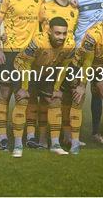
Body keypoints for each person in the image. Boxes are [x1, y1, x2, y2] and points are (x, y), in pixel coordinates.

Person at [0, 0, 45, 154]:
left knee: (29, 95)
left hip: (31, 55)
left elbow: (45, 25)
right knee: (5, 94)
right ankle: (3, 137)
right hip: (11, 52)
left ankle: (30, 137)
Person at [65, 7, 103, 154]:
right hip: (80, 66)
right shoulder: (93, 35)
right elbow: (87, 63)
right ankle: (74, 142)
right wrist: (81, 85)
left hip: (100, 66)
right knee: (78, 98)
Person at [27, 0, 78, 148]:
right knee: (42, 97)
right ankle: (40, 137)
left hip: (66, 56)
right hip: (45, 58)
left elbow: (76, 31)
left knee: (67, 96)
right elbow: (36, 27)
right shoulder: (46, 7)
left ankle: (66, 134)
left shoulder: (74, 8)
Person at [13, 17, 75, 156]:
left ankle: (55, 144)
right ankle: (18, 145)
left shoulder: (70, 44)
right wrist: (24, 88)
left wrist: (57, 89)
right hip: (24, 69)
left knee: (55, 100)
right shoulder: (38, 41)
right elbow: (26, 64)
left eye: (64, 33)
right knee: (22, 100)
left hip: (46, 70)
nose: (62, 37)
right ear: (49, 31)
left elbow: (64, 68)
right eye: (58, 33)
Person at [74, 0, 103, 144]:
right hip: (80, 53)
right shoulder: (78, 1)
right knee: (76, 94)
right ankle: (72, 134)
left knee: (98, 93)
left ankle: (96, 132)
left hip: (99, 55)